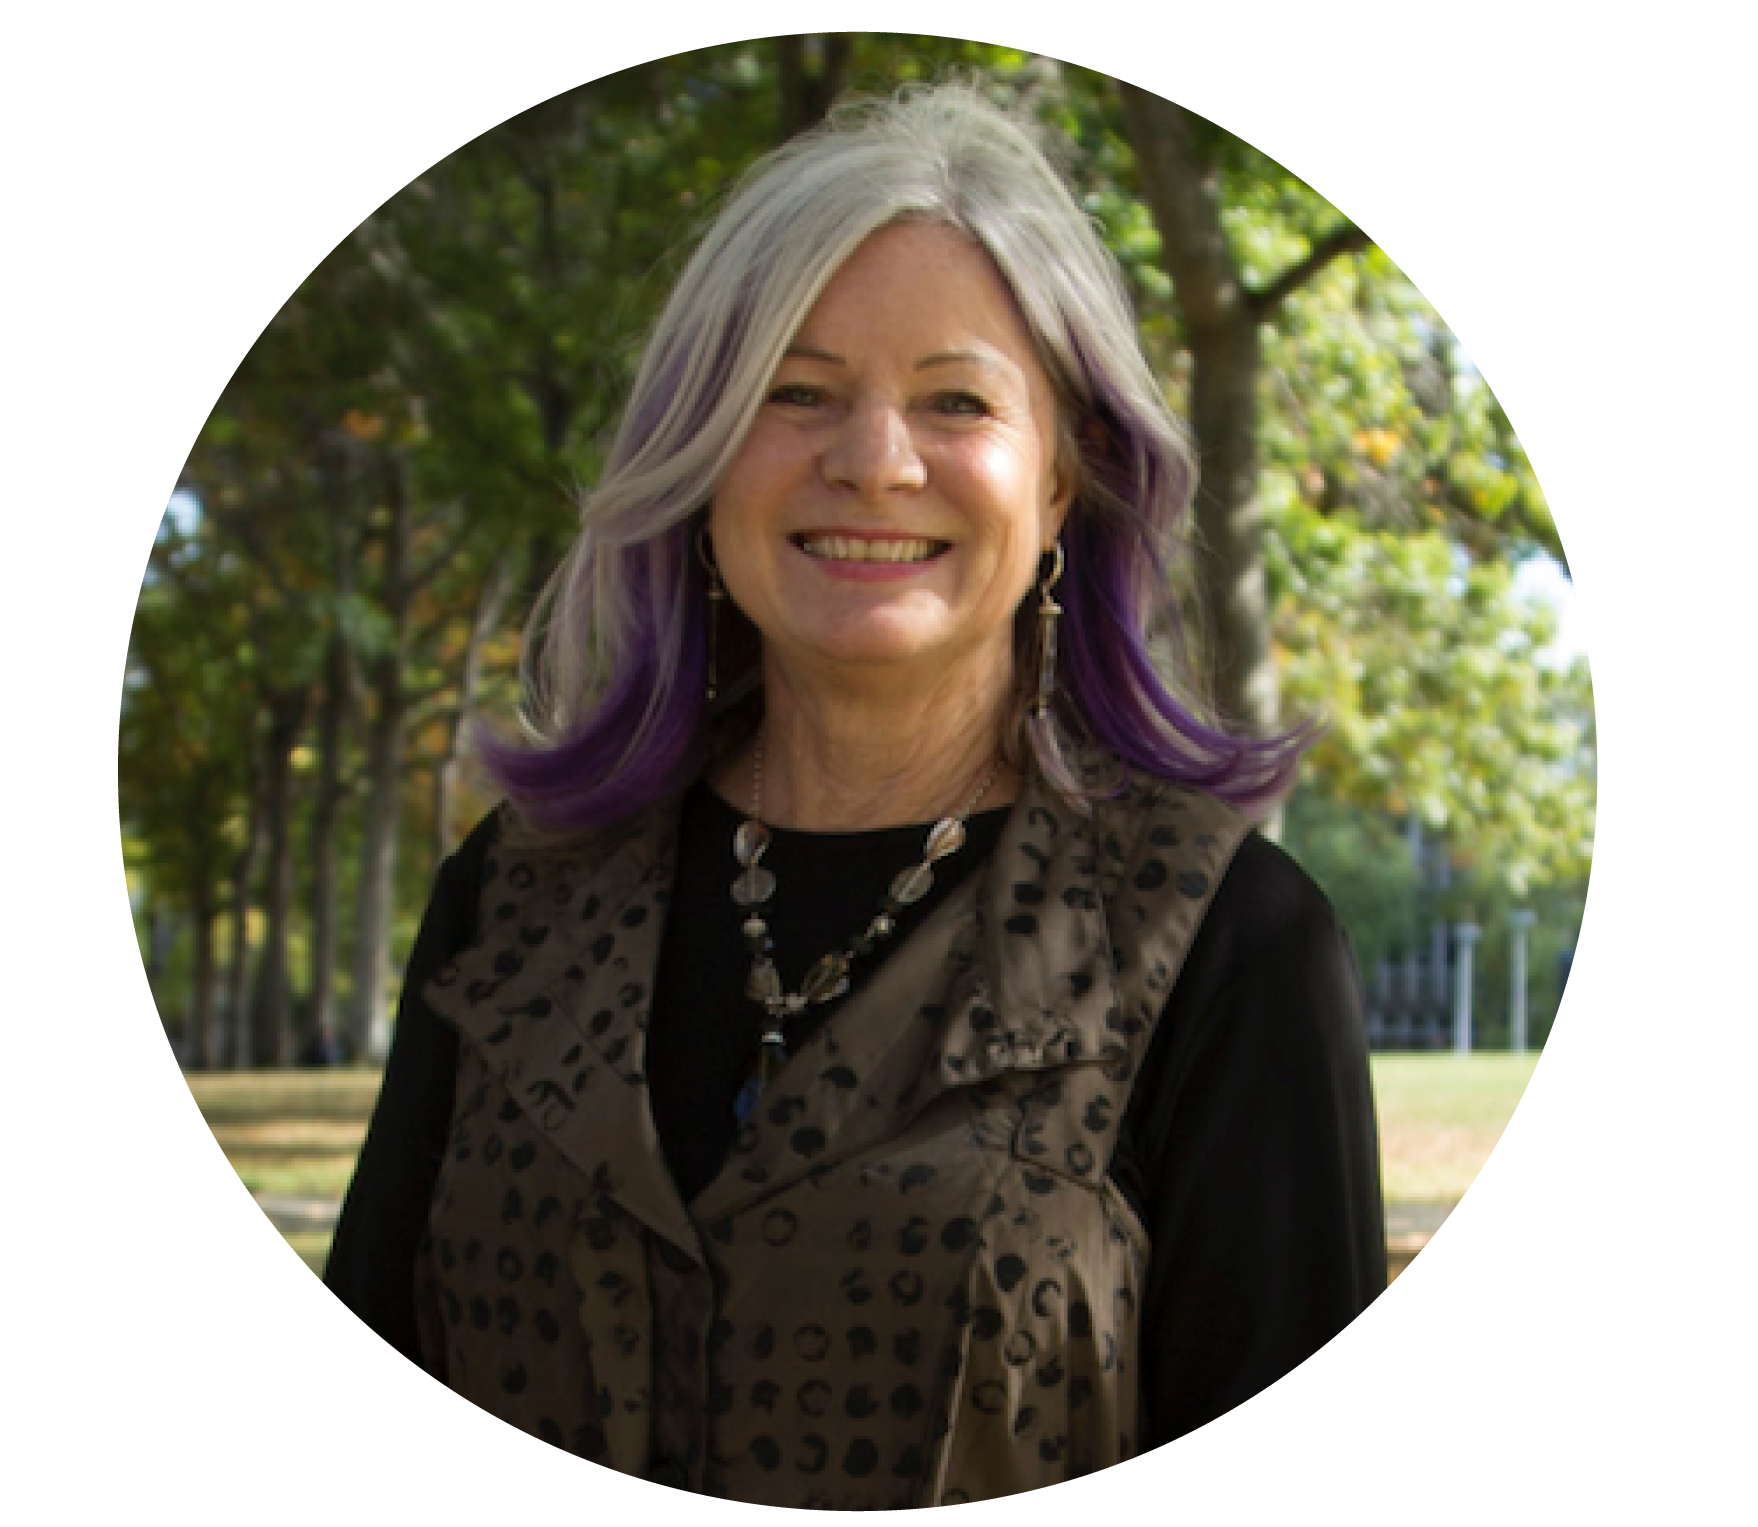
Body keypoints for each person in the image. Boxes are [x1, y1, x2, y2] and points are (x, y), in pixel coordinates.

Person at [324, 81, 1384, 1506]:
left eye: (955, 400)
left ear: (1063, 477)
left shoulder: (1228, 947)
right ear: (701, 459)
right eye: (796, 391)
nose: (873, 461)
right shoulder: (510, 898)